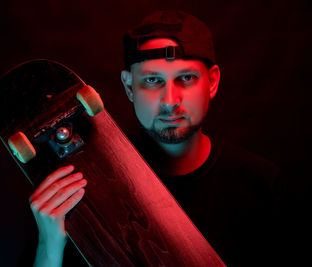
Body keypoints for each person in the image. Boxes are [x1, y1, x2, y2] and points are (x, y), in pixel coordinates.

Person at [28, 10, 281, 267]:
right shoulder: (82, 181)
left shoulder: (262, 185)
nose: (170, 101)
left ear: (212, 82)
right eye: (152, 80)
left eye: (186, 78)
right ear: (129, 87)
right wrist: (48, 245)